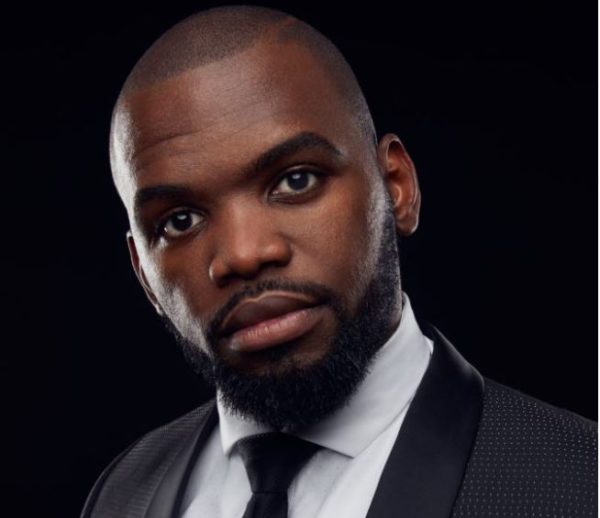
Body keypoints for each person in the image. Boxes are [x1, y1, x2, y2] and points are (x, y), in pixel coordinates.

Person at [81, 5, 597, 518]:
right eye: (179, 221)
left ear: (397, 187)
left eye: (295, 180)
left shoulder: (579, 484)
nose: (243, 254)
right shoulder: (120, 494)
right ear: (144, 274)